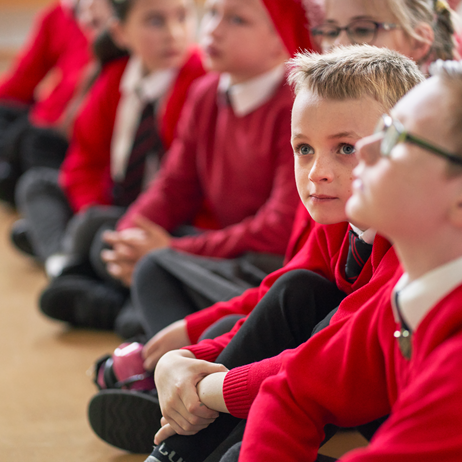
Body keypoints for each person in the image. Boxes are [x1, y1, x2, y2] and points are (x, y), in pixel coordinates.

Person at [87, 46, 425, 458]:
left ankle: (178, 419)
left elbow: (329, 361)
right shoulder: (340, 221)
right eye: (304, 149)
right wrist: (186, 357)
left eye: (345, 149)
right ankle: (175, 444)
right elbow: (278, 297)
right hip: (344, 381)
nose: (317, 170)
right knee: (293, 292)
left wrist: (210, 386)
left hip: (397, 414)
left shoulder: (413, 245)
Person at [38, 0, 318, 334]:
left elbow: (276, 230)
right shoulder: (205, 93)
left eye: (238, 20)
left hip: (257, 259)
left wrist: (169, 250)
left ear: (280, 39)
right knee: (105, 233)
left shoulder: (296, 107)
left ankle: (119, 307)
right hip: (210, 243)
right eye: (213, 13)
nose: (212, 29)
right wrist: (131, 237)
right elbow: (173, 186)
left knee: (159, 269)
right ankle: (128, 303)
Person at [233, 58, 462, 462]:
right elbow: (292, 391)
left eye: (396, 137)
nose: (369, 148)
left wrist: (206, 386)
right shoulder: (403, 302)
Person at [13, 0, 205, 330]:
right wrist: (92, 210)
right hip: (110, 206)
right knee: (37, 186)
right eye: (155, 22)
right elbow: (82, 163)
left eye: (183, 17)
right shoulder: (115, 77)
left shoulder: (200, 81)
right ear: (120, 32)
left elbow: (184, 186)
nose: (174, 34)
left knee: (101, 236)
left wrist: (98, 225)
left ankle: (76, 267)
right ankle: (65, 266)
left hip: (162, 220)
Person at [0, 0, 109, 205]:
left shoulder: (111, 20)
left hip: (64, 129)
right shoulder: (58, 14)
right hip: (44, 115)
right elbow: (23, 79)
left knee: (32, 141)